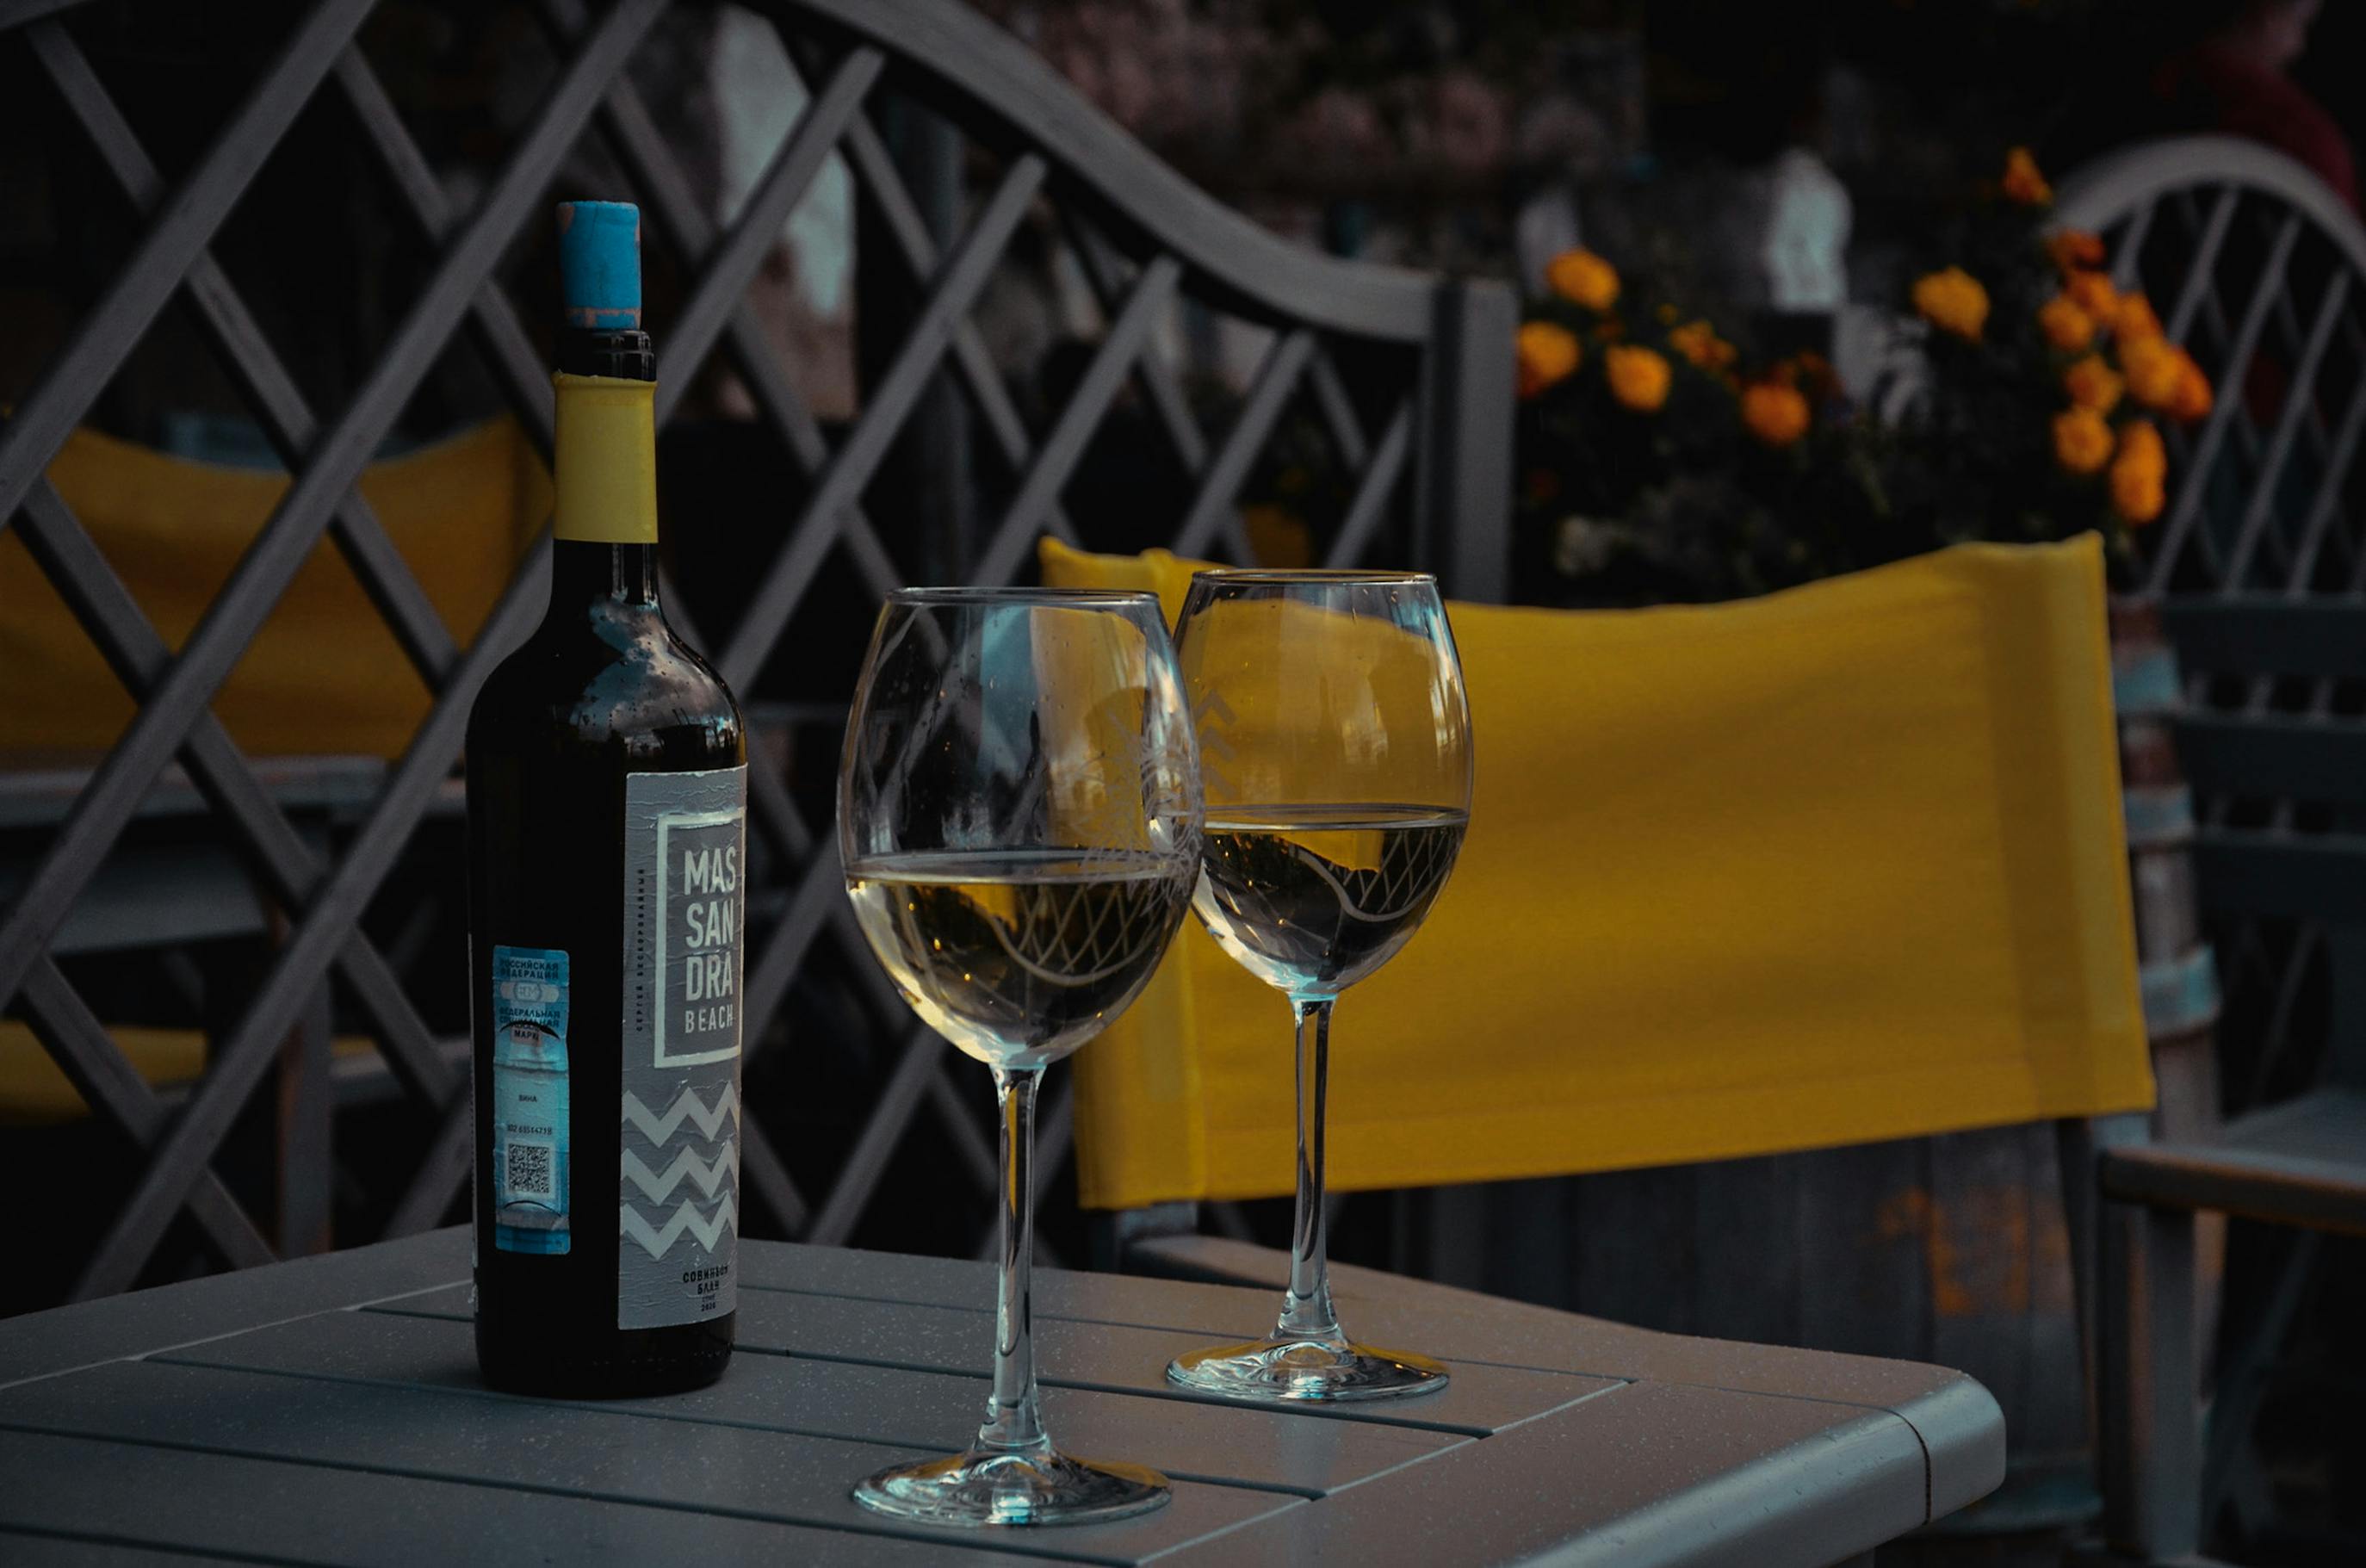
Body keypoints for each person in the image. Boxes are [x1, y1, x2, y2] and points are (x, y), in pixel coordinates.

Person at [2153, 0, 2357, 209]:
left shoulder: (2160, 81)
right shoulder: (2299, 128)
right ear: (2268, 17)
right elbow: (2337, 223)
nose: (2298, 46)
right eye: (2300, 24)